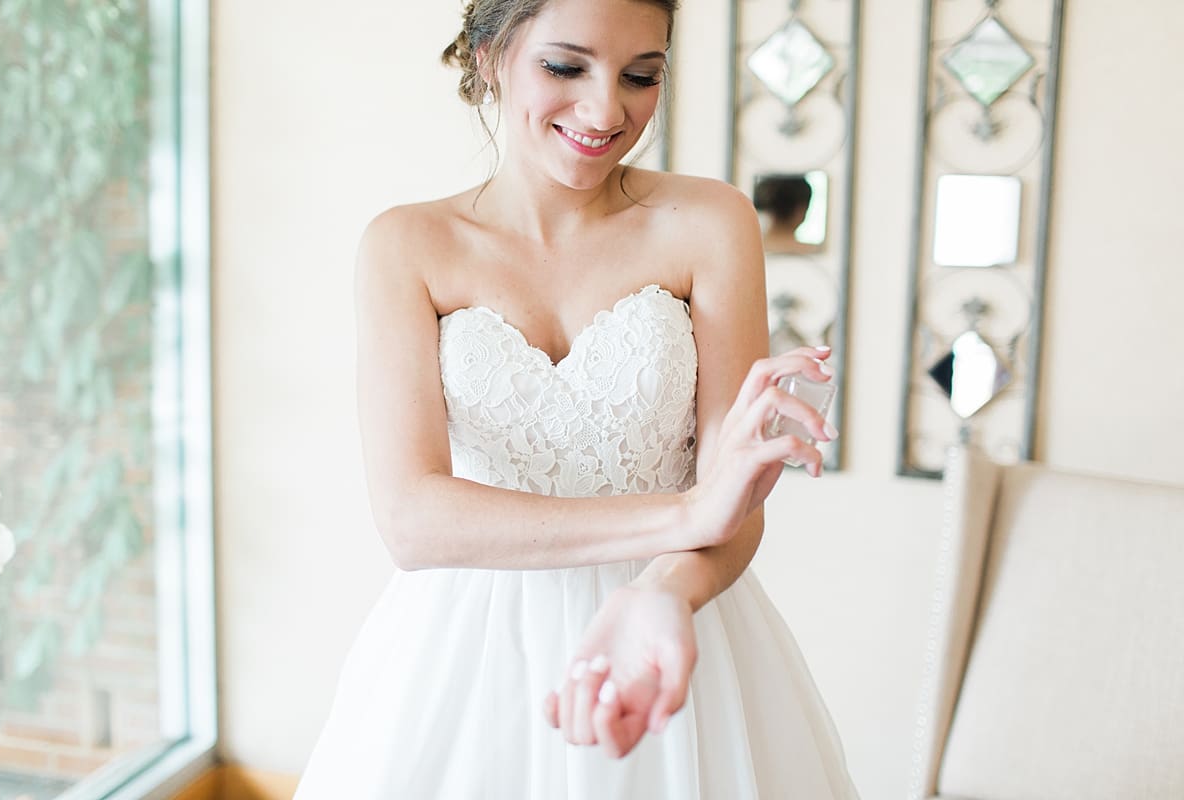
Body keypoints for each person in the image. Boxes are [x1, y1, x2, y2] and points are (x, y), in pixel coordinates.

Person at [294, 0, 859, 797]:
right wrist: (689, 513)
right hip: (465, 655)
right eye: (565, 67)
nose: (604, 112)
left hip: (672, 623)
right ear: (490, 55)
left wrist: (663, 592)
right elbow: (411, 520)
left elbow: (735, 505)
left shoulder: (710, 223)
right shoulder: (406, 245)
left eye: (641, 77)